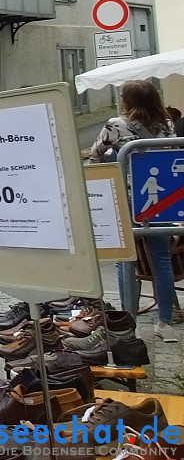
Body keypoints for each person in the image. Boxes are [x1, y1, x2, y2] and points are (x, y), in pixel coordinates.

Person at [89, 80, 178, 342]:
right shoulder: (167, 125)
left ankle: (128, 321)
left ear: (128, 101)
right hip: (161, 199)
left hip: (128, 197)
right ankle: (165, 322)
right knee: (161, 259)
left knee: (125, 258)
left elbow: (95, 154)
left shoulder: (116, 124)